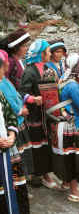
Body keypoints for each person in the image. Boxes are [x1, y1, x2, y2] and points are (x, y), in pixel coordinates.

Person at [49, 53, 79, 202]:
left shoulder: (62, 80)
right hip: (71, 127)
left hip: (61, 124)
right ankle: (74, 192)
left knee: (66, 156)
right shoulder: (73, 85)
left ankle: (65, 183)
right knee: (74, 157)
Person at [20, 39, 58, 188]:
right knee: (37, 146)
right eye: (48, 51)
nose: (50, 54)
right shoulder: (29, 71)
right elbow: (21, 92)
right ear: (41, 54)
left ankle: (45, 172)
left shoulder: (47, 68)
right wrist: (32, 98)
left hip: (46, 115)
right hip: (34, 116)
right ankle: (41, 175)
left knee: (46, 143)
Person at [0, 58, 30, 214]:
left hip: (6, 148)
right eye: (2, 69)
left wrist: (11, 135)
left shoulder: (0, 93)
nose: (4, 72)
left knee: (10, 189)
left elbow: (9, 114)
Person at [0, 49, 34, 178]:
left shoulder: (5, 80)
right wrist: (20, 110)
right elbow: (9, 104)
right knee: (17, 158)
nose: (8, 63)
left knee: (21, 156)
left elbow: (15, 98)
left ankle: (22, 183)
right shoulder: (2, 84)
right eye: (5, 62)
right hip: (9, 130)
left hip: (13, 127)